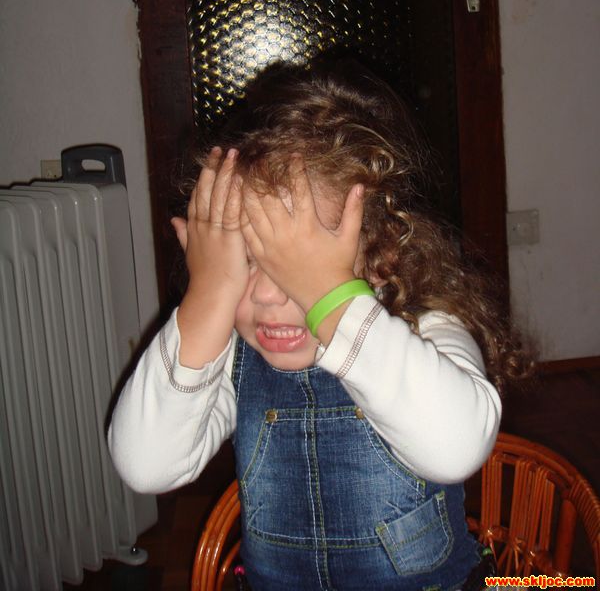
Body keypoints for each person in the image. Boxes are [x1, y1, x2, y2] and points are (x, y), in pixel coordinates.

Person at [108, 59, 531, 591]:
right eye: (244, 262)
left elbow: (455, 449)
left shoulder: (424, 329)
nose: (266, 295)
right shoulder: (237, 357)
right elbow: (147, 465)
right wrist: (207, 300)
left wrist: (332, 301)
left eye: (298, 266)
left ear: (381, 255)